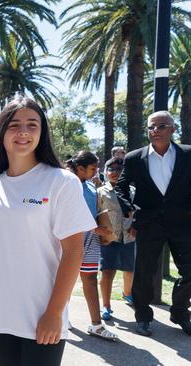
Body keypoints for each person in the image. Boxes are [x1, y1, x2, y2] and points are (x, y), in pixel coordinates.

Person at [0, 97, 97, 365]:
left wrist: (55, 312)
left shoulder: (61, 181)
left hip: (43, 315)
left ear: (42, 132)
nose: (23, 132)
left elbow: (73, 251)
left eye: (32, 124)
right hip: (0, 314)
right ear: (1, 132)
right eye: (14, 125)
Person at [116, 110, 191, 337]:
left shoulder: (188, 154)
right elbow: (121, 185)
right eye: (151, 127)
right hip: (148, 223)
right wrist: (128, 206)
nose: (154, 131)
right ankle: (143, 317)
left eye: (160, 126)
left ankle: (179, 312)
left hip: (182, 222)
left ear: (173, 128)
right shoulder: (134, 158)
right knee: (144, 272)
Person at [65, 151, 119, 341]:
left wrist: (100, 228)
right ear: (80, 168)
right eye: (93, 168)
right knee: (66, 279)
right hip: (70, 238)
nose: (97, 172)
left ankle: (96, 324)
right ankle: (61, 319)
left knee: (90, 279)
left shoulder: (89, 185)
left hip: (91, 239)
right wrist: (96, 229)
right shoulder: (65, 183)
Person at [97, 157, 136, 320]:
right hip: (109, 238)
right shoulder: (99, 192)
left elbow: (139, 211)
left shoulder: (132, 191)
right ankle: (106, 306)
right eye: (111, 169)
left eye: (119, 170)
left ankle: (127, 294)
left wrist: (136, 225)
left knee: (130, 270)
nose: (115, 173)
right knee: (107, 272)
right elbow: (95, 213)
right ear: (105, 172)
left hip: (129, 237)